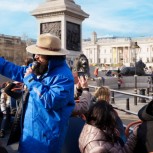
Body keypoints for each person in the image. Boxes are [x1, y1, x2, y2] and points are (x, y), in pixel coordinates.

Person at [0, 33, 75, 153]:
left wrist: (30, 80)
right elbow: (18, 71)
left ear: (50, 56)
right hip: (29, 133)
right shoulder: (41, 67)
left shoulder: (64, 76)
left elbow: (51, 100)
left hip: (46, 139)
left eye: (39, 54)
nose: (35, 57)